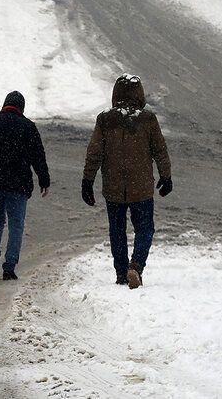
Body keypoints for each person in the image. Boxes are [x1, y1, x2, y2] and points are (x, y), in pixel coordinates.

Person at [81, 74, 172, 289]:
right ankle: (136, 266)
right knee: (145, 229)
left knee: (117, 231)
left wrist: (87, 180)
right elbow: (160, 150)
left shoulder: (105, 119)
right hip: (141, 187)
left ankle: (122, 273)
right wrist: (165, 176)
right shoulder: (147, 119)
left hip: (113, 187)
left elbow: (95, 152)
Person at [0, 90, 50, 280]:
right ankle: (9, 267)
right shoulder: (29, 127)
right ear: (22, 108)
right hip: (18, 185)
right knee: (16, 225)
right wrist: (44, 180)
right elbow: (38, 157)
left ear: (4, 104)